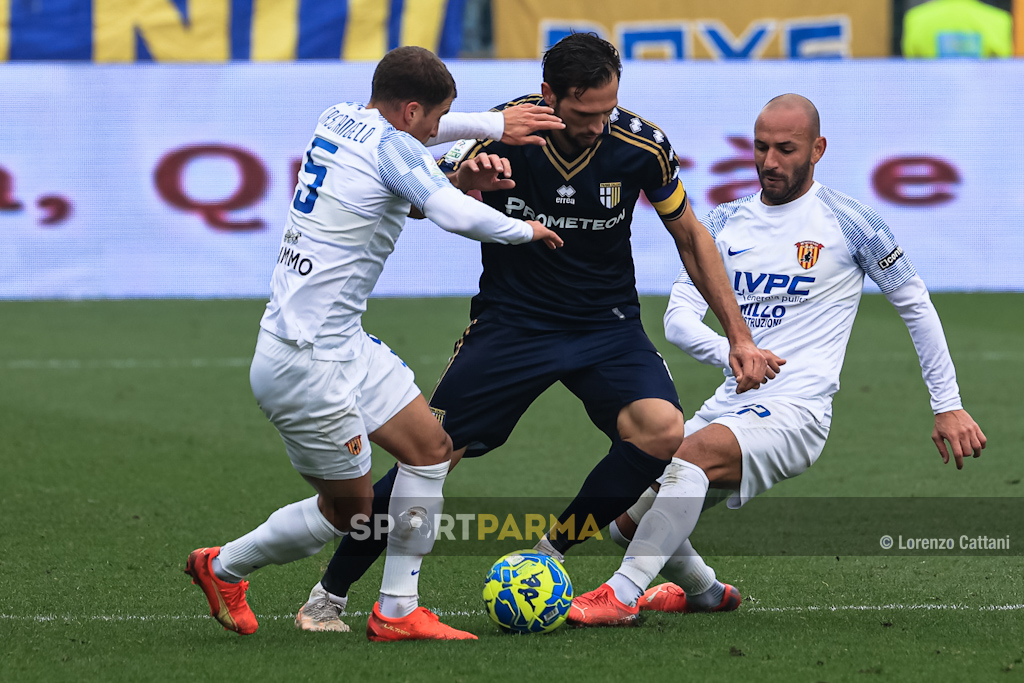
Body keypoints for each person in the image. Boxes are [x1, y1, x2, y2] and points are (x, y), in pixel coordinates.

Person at [294, 32, 775, 632]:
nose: (600, 124)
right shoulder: (503, 130)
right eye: (584, 111)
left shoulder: (640, 145)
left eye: (608, 109)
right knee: (431, 455)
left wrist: (739, 334)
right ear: (549, 95)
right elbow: (421, 198)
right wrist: (468, 174)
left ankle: (549, 555)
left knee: (660, 431)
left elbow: (691, 234)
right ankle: (330, 595)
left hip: (608, 325)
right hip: (511, 324)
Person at [183, 45, 567, 643]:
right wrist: (527, 231)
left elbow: (409, 173)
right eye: (435, 119)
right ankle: (224, 565)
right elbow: (454, 216)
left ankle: (396, 610)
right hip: (304, 363)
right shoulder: (396, 148)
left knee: (430, 449)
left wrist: (490, 130)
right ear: (411, 110)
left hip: (343, 343)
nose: (440, 131)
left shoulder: (338, 116)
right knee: (353, 518)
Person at [567, 93, 988, 626]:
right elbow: (677, 319)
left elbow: (915, 304)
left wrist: (947, 404)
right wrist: (734, 353)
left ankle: (619, 597)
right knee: (624, 523)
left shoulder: (850, 221)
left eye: (785, 149)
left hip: (797, 411)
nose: (769, 161)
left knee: (690, 458)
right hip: (732, 400)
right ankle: (705, 591)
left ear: (818, 148)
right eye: (760, 147)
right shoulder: (722, 223)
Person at [902, 0, 1012, 58]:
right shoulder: (999, 19)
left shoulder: (915, 18)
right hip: (980, 95)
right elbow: (1001, 64)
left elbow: (912, 59)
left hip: (931, 95)